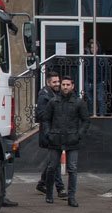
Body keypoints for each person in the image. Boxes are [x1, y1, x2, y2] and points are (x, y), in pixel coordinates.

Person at [37, 76, 90, 206]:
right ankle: (49, 194)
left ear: (72, 86)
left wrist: (79, 134)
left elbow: (86, 120)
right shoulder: (53, 101)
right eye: (63, 84)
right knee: (52, 167)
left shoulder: (78, 102)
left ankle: (71, 197)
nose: (65, 87)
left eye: (68, 84)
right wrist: (48, 133)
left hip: (72, 139)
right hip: (55, 139)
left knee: (72, 168)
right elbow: (46, 119)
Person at [34, 70, 65, 198]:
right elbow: (40, 115)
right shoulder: (44, 96)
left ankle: (42, 184)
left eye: (58, 81)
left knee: (53, 160)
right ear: (48, 83)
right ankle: (60, 188)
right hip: (49, 132)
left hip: (57, 131)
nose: (58, 84)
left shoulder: (57, 94)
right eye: (55, 82)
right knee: (55, 161)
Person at [83, 39, 112, 116]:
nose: (93, 49)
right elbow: (84, 70)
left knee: (100, 99)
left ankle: (102, 115)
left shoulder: (102, 58)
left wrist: (105, 81)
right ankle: (91, 114)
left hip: (100, 82)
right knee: (90, 100)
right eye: (91, 47)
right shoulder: (87, 58)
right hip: (89, 81)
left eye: (95, 47)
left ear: (98, 48)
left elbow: (106, 70)